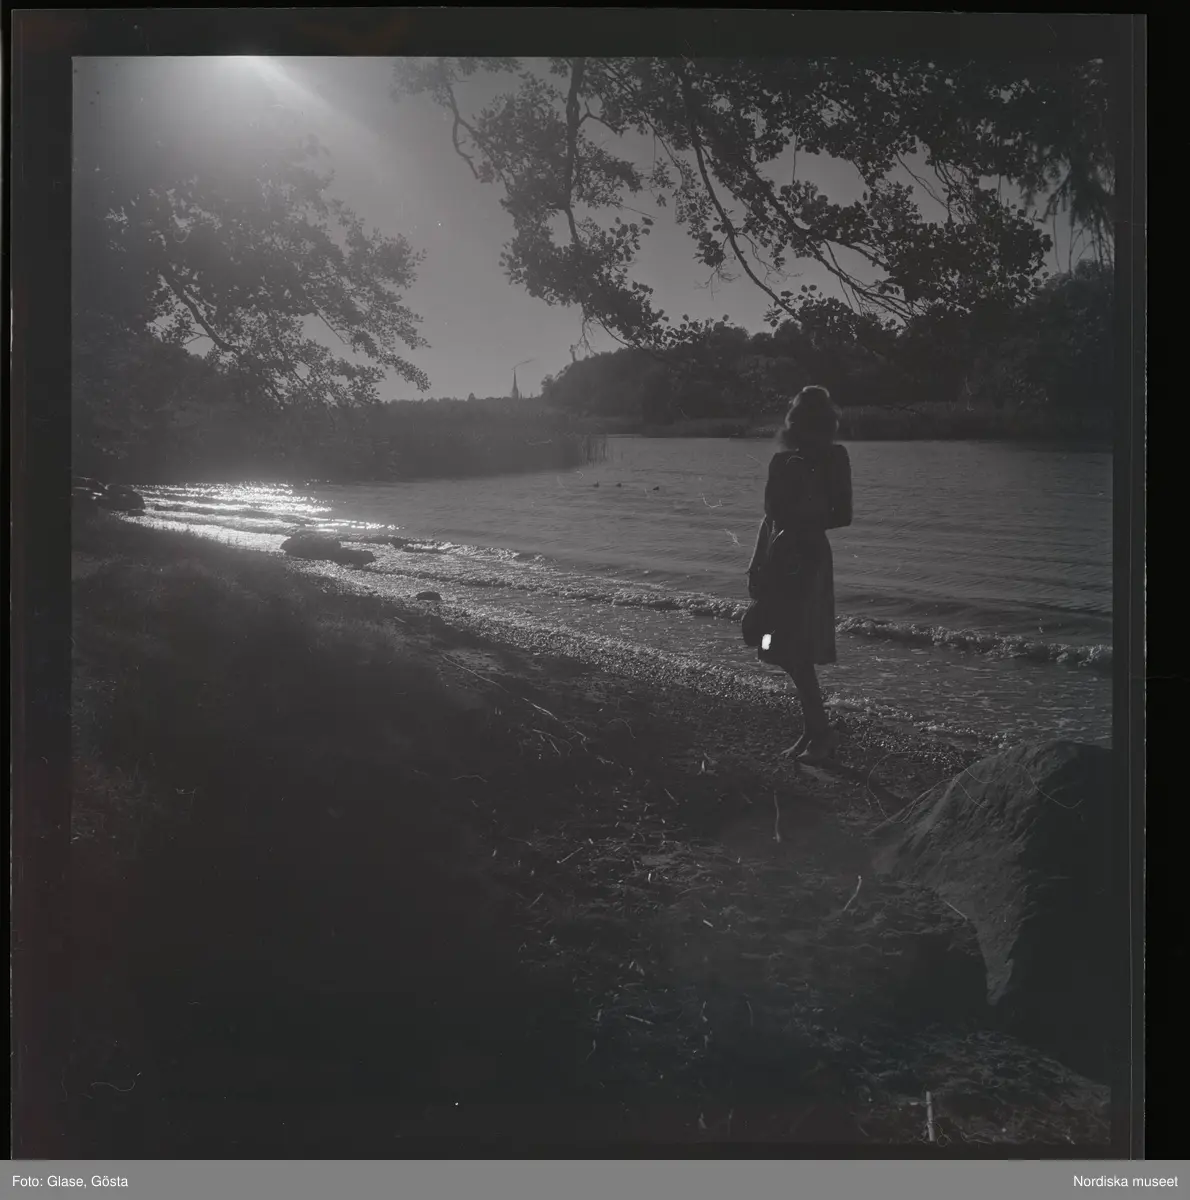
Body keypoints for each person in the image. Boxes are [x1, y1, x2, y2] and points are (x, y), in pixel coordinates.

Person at [747, 386, 852, 764]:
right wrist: (757, 562)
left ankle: (819, 732)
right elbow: (769, 518)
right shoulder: (782, 462)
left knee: (794, 645)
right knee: (779, 645)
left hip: (807, 558)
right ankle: (815, 729)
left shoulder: (835, 458)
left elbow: (843, 515)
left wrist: (802, 521)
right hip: (780, 555)